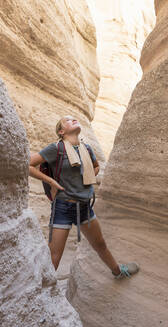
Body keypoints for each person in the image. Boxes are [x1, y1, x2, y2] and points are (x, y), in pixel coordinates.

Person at [29, 115, 139, 279]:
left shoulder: (86, 149)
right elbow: (29, 164)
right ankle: (41, 291)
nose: (73, 119)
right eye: (67, 120)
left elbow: (95, 167)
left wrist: (87, 177)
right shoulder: (55, 148)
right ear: (61, 131)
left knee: (100, 244)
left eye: (74, 118)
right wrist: (51, 181)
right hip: (63, 207)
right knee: (55, 255)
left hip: (84, 207)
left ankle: (117, 272)